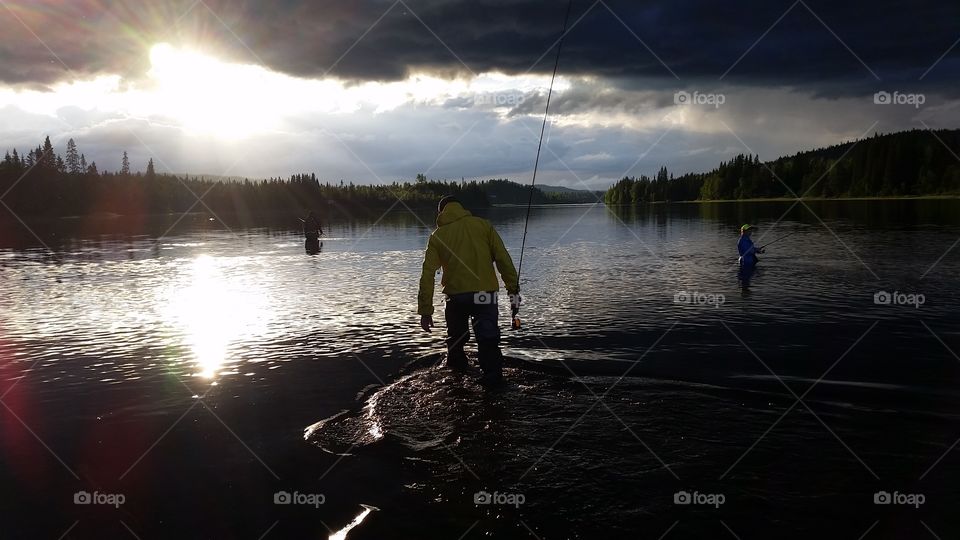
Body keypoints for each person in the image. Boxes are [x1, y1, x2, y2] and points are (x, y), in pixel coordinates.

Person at [417, 196, 520, 385]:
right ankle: (493, 381)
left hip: (456, 298)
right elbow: (503, 260)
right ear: (461, 207)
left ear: (441, 212)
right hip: (483, 296)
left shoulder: (438, 236)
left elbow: (427, 275)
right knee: (487, 339)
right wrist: (513, 293)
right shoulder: (483, 226)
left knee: (455, 340)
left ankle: (457, 381)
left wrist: (425, 311)